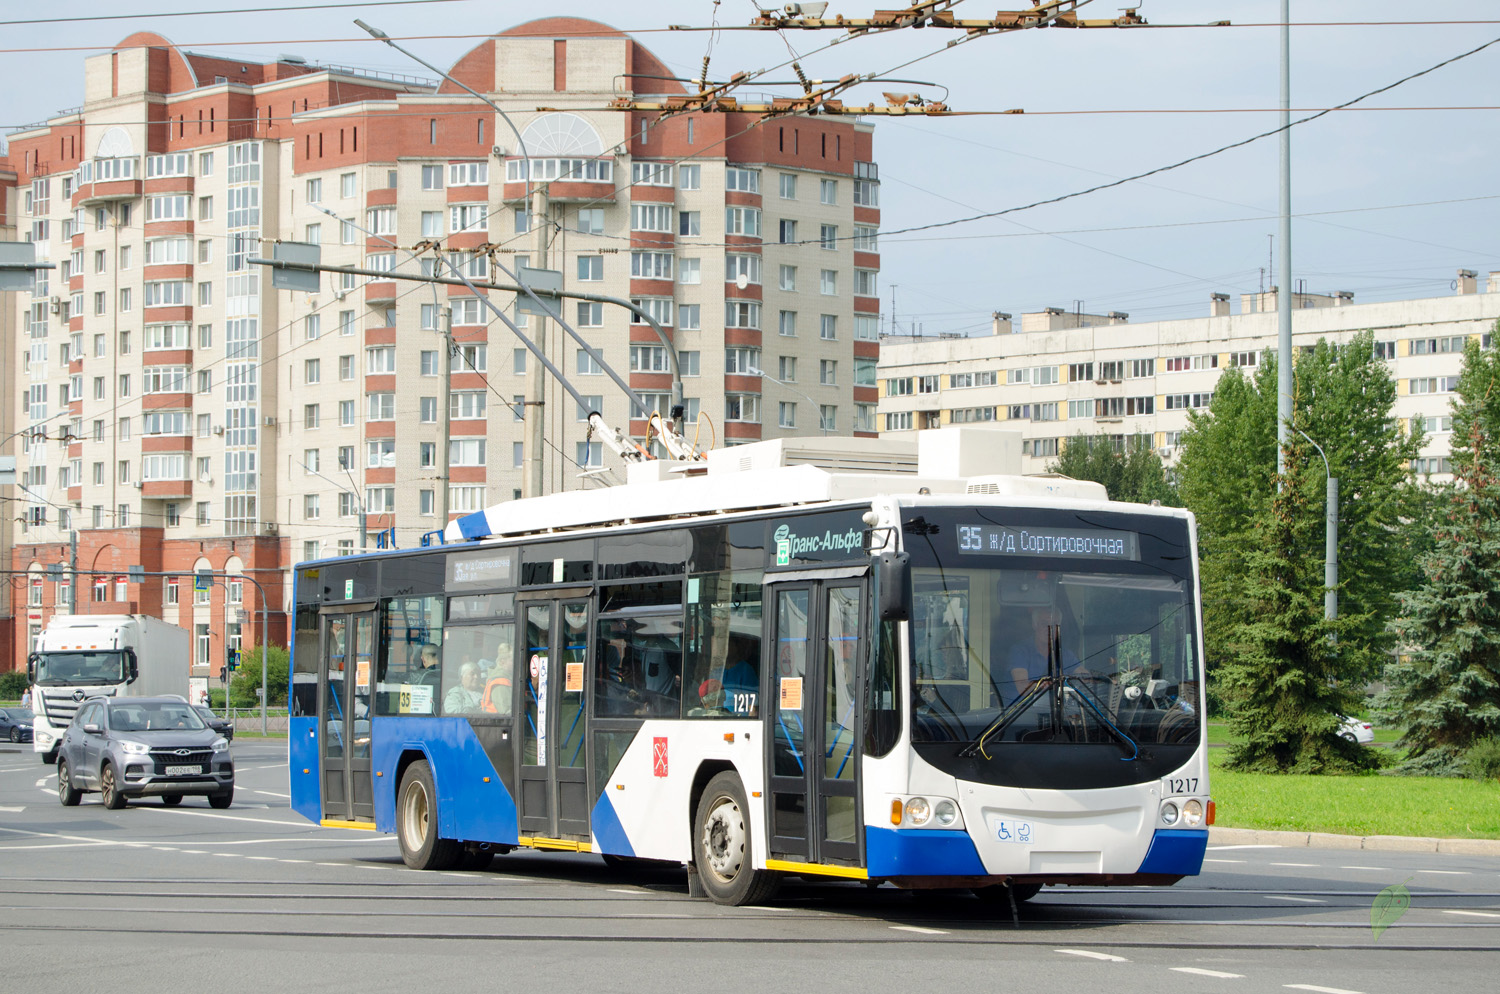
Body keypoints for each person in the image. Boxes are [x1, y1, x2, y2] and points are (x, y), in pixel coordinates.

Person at [1007, 605, 1080, 701]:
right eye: (1044, 624)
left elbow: (1084, 677)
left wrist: (1090, 679)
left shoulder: (1065, 654)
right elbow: (1022, 687)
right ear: (1034, 625)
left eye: (1054, 625)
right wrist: (1043, 685)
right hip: (1021, 712)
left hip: (1055, 713)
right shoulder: (1020, 651)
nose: (1049, 629)